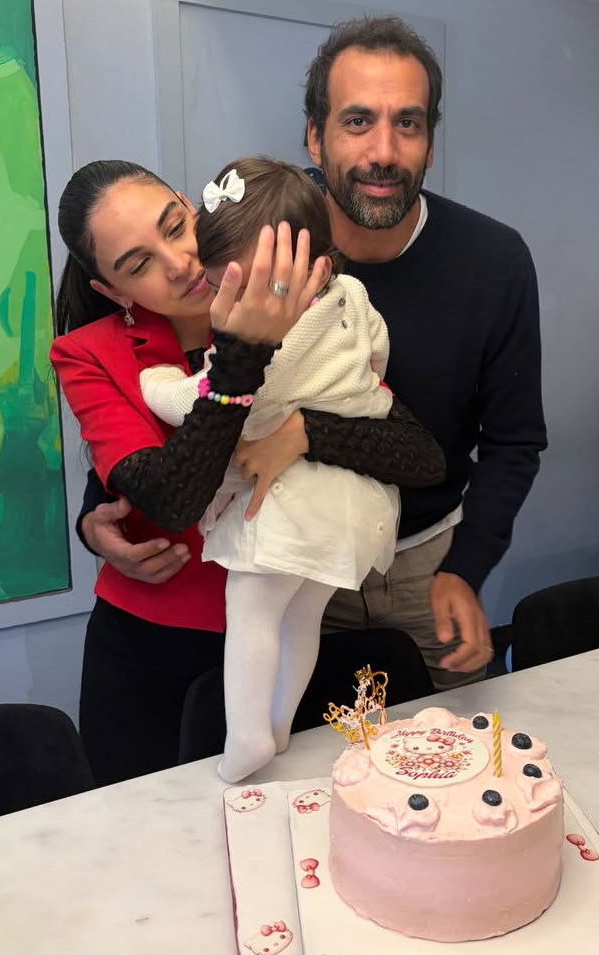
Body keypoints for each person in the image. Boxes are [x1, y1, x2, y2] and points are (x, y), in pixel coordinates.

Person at [80, 14, 547, 690]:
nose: (384, 150)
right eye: (357, 121)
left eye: (408, 123)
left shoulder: (493, 261)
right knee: (298, 741)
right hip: (288, 558)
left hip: (428, 564)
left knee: (446, 743)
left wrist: (466, 568)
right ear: (314, 136)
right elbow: (175, 375)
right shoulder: (259, 224)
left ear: (430, 142)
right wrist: (97, 506)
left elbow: (514, 441)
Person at [49, 159, 445, 786]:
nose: (179, 262)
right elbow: (170, 496)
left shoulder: (303, 304)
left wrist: (302, 433)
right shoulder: (89, 354)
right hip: (153, 646)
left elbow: (419, 454)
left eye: (174, 226)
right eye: (138, 264)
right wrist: (240, 358)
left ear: (193, 206)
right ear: (113, 291)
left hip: (288, 620)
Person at [138, 156, 413, 783]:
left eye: (241, 288)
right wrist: (355, 383)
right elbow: (378, 348)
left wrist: (157, 382)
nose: (229, 305)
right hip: (357, 502)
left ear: (306, 272)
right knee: (302, 617)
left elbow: (201, 401)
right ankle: (281, 725)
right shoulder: (350, 294)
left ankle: (246, 736)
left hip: (294, 502)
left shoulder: (275, 343)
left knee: (252, 611)